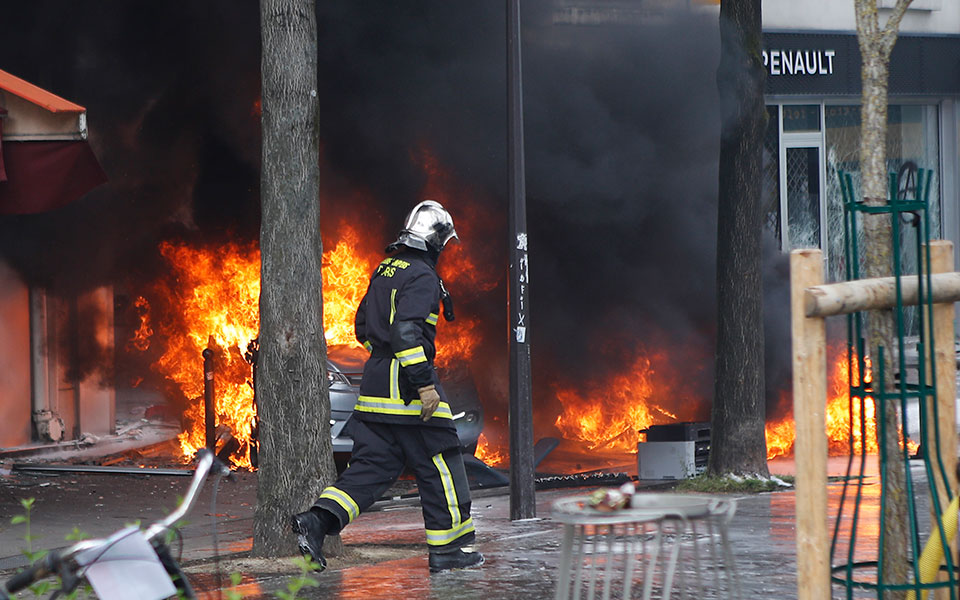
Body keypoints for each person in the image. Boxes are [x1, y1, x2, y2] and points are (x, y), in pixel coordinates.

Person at [291, 200, 483, 573]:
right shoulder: (423, 276)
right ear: (435, 241)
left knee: (372, 467)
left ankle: (316, 520)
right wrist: (424, 385)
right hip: (409, 394)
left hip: (376, 390)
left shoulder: (385, 268)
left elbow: (362, 326)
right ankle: (448, 551)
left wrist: (382, 360)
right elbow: (407, 333)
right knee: (442, 461)